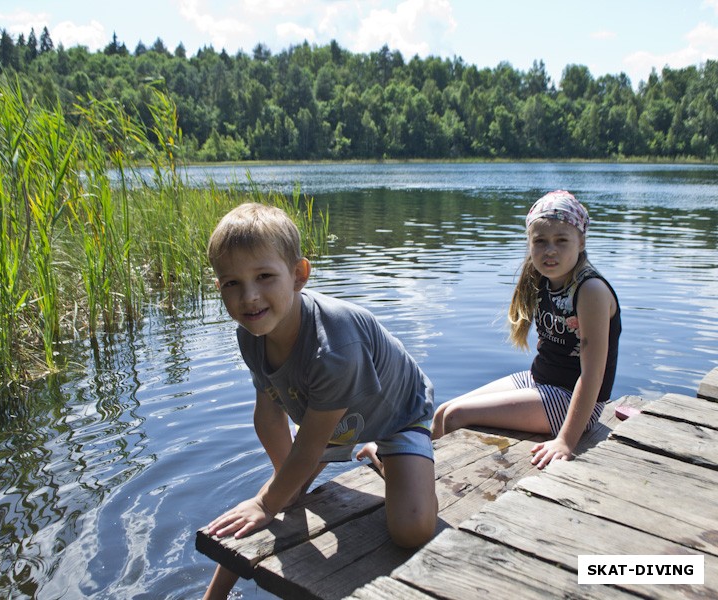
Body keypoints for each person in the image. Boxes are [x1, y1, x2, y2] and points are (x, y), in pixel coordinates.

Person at [202, 202, 438, 599]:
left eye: (264, 276)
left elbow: (309, 448)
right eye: (232, 284)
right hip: (333, 422)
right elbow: (269, 416)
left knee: (411, 530)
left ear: (298, 276)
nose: (249, 297)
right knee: (276, 498)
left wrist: (266, 501)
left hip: (397, 414)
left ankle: (395, 458)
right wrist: (282, 488)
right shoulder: (252, 334)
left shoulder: (335, 348)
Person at [432, 190, 621, 470]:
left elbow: (594, 374)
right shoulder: (543, 277)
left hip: (575, 400)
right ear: (529, 243)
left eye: (561, 240)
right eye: (540, 241)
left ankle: (436, 481)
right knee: (442, 413)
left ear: (581, 241)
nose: (550, 250)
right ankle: (416, 470)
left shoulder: (589, 289)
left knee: (458, 415)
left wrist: (566, 441)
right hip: (539, 381)